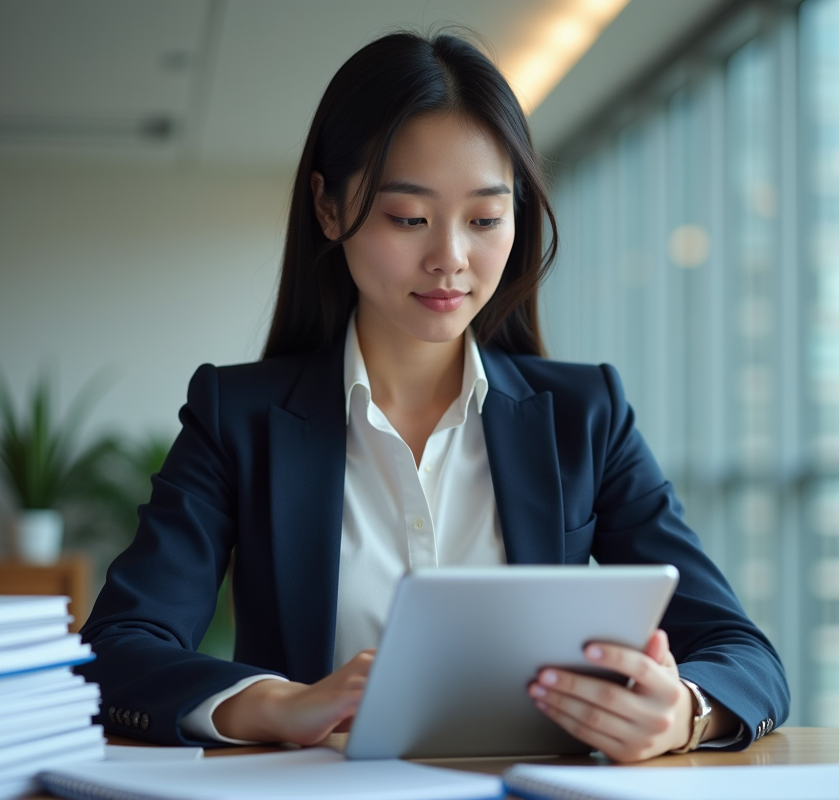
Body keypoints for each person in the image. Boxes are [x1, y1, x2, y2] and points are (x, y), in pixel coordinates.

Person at [79, 30, 789, 763]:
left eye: (484, 219)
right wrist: (280, 703)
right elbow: (117, 650)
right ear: (328, 208)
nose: (450, 258)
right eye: (408, 218)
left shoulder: (586, 417)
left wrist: (685, 714)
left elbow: (743, 655)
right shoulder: (238, 417)